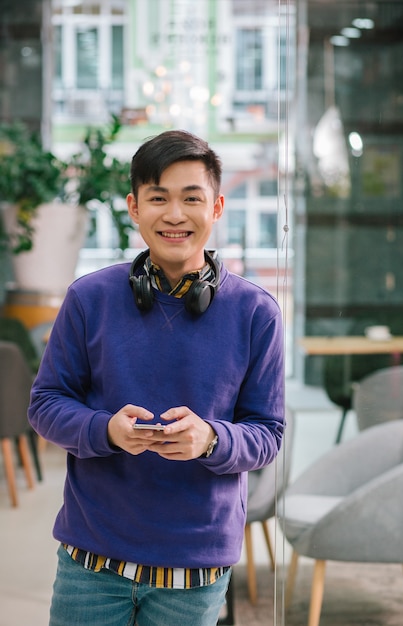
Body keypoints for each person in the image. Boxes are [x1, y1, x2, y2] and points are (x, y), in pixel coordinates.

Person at [28, 129, 285, 626]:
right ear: (133, 206)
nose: (174, 215)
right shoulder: (88, 299)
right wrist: (105, 430)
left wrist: (212, 438)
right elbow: (45, 403)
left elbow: (268, 435)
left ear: (216, 207)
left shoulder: (258, 313)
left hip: (196, 566)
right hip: (92, 558)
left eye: (191, 198)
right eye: (158, 198)